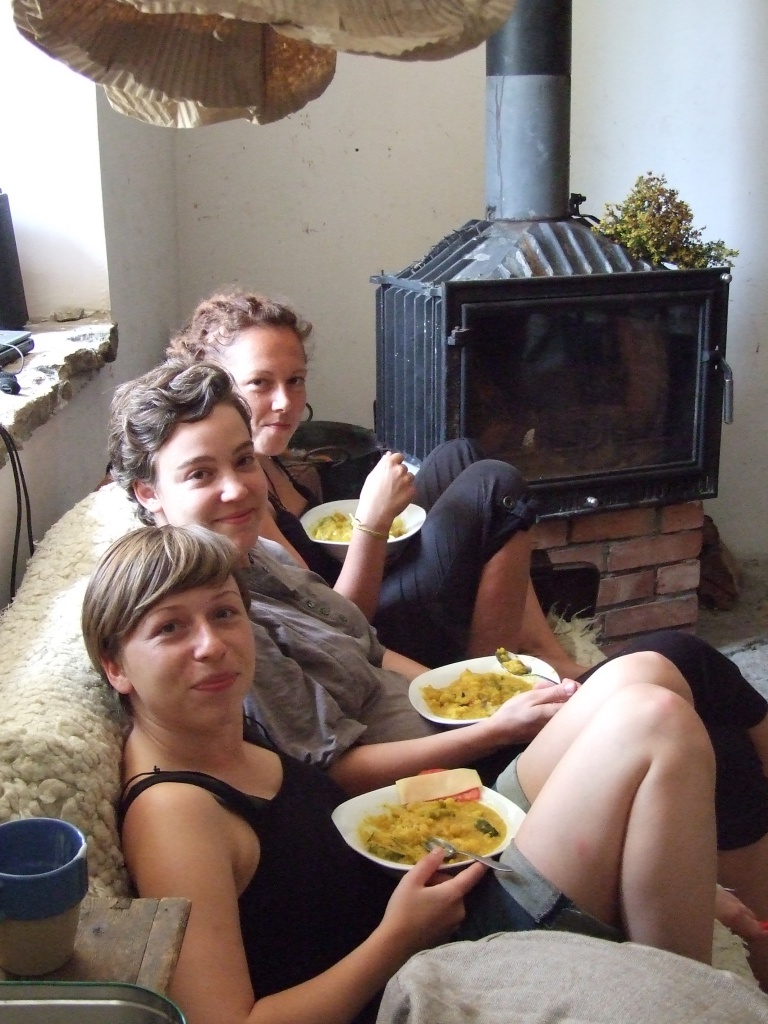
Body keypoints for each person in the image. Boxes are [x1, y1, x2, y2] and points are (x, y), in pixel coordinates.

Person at [107, 359, 768, 985]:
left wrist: (473, 695)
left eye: (243, 459)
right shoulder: (217, 673)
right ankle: (700, 984)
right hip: (427, 861)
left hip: (438, 809)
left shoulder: (250, 564)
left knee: (651, 676)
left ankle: (707, 943)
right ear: (149, 494)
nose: (236, 487)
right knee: (667, 714)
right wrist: (491, 733)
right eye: (201, 474)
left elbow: (361, 648)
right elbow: (335, 778)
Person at [81, 522, 724, 1024]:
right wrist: (397, 938)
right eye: (170, 628)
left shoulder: (218, 728)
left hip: (432, 883)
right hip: (419, 973)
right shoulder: (174, 815)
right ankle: (687, 1000)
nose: (211, 644)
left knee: (642, 674)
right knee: (656, 722)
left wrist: (663, 854)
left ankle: (665, 917)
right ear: (115, 666)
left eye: (224, 613)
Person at [165, 288, 584, 678]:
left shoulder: (268, 461)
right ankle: (487, 681)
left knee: (461, 454)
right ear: (216, 386)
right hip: (366, 628)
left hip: (368, 588)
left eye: (295, 380)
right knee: (494, 485)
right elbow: (334, 622)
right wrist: (372, 522)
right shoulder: (241, 495)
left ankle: (540, 645)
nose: (285, 402)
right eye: (260, 383)